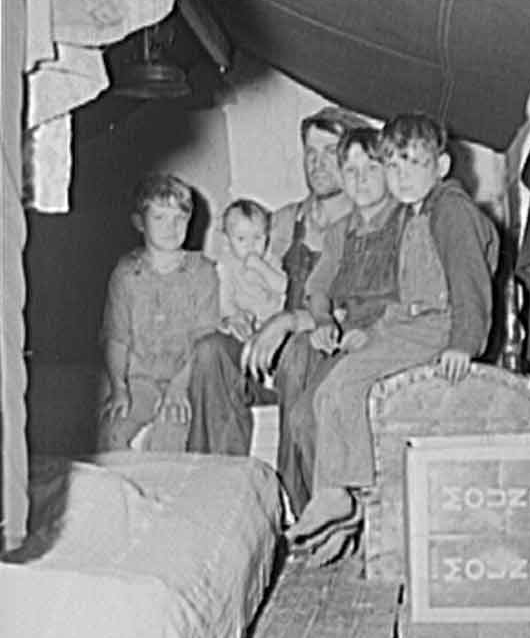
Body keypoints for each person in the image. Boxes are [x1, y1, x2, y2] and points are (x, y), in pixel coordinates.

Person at [285, 112, 501, 566]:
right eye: (395, 165)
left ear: (440, 166)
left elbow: (469, 281)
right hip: (408, 322)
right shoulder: (415, 212)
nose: (400, 176)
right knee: (327, 392)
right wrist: (375, 330)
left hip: (436, 327)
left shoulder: (450, 210)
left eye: (411, 164)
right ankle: (341, 500)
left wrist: (464, 342)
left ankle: (344, 491)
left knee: (343, 386)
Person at [186, 104, 365, 458]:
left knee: (301, 353)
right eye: (310, 153)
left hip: (324, 356)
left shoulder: (363, 226)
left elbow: (359, 311)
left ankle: (304, 502)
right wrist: (234, 317)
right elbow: (240, 276)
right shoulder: (282, 222)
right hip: (267, 357)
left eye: (330, 152)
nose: (317, 163)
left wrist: (288, 323)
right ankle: (221, 483)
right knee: (211, 352)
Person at [277, 125, 404, 517]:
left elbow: (416, 297)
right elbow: (318, 289)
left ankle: (360, 516)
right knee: (302, 417)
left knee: (320, 410)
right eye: (350, 171)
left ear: (388, 171)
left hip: (394, 337)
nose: (360, 180)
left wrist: (373, 332)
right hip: (350, 339)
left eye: (370, 169)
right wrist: (321, 321)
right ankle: (327, 512)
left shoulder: (404, 222)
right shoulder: (338, 232)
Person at [98, 173, 219, 452]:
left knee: (171, 436)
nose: (171, 227)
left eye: (179, 218)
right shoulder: (125, 273)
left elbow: (205, 339)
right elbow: (117, 338)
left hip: (184, 378)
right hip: (138, 379)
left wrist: (178, 388)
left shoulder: (203, 271)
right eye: (160, 218)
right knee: (110, 432)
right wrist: (119, 387)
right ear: (140, 222)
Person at [214, 197, 287, 376]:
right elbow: (225, 301)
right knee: (225, 341)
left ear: (267, 237)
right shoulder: (226, 266)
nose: (251, 245)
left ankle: (271, 374)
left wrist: (262, 268)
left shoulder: (271, 260)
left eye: (257, 237)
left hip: (275, 323)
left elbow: (284, 287)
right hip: (245, 324)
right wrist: (235, 317)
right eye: (241, 239)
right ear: (226, 241)